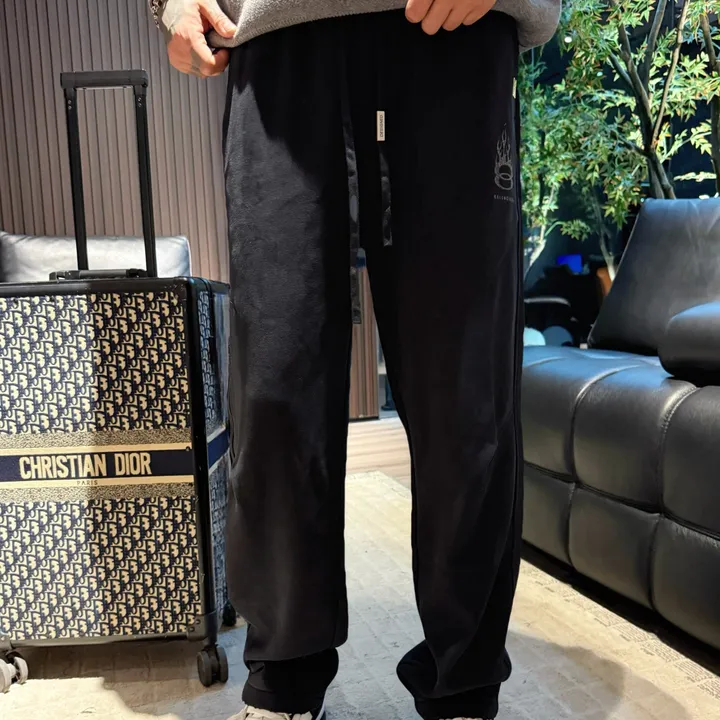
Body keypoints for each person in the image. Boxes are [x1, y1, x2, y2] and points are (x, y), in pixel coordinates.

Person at [151, 0, 561, 718]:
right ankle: (284, 679)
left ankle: (465, 687)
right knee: (275, 394)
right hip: (278, 41)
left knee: (467, 402)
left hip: (460, 31)